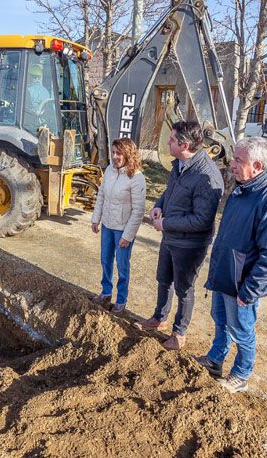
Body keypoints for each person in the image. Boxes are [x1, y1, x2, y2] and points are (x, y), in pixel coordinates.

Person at [195, 137, 267, 393]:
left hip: (241, 284)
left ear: (257, 166)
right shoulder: (241, 190)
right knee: (220, 320)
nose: (232, 164)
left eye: (239, 160)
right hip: (224, 273)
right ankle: (215, 359)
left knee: (241, 329)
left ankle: (241, 373)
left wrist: (249, 290)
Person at [135, 121, 224, 350]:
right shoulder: (180, 165)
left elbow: (201, 220)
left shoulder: (207, 177)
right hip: (171, 236)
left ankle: (179, 333)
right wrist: (159, 205)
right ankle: (159, 318)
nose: (167, 142)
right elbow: (171, 190)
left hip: (190, 244)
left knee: (184, 288)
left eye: (172, 140)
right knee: (164, 279)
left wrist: (166, 223)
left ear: (184, 145)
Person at [90, 138, 146, 313]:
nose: (115, 156)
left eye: (119, 153)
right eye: (113, 152)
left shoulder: (136, 178)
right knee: (105, 261)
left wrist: (127, 236)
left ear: (128, 154)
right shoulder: (109, 170)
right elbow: (101, 196)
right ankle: (106, 292)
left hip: (122, 229)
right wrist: (95, 218)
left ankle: (121, 300)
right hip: (107, 225)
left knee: (122, 266)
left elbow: (138, 211)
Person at [24, 62, 55, 130]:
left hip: (30, 120)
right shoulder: (45, 91)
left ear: (29, 76)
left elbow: (25, 107)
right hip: (42, 120)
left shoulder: (28, 91)